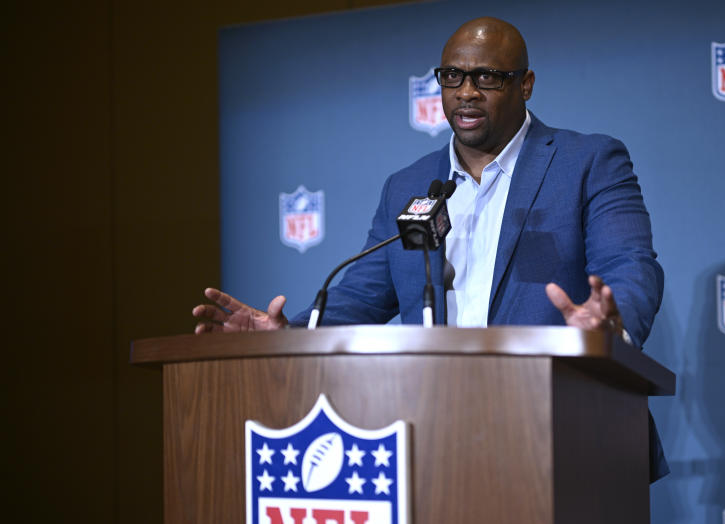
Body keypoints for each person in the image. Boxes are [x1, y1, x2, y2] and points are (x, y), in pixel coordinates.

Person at [193, 17, 668, 480]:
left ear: (525, 85)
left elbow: (629, 264)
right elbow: (361, 296)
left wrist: (609, 328)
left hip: (565, 428)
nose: (466, 92)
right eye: (453, 76)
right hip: (435, 434)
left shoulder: (587, 162)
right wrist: (285, 335)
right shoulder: (411, 184)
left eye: (488, 77)